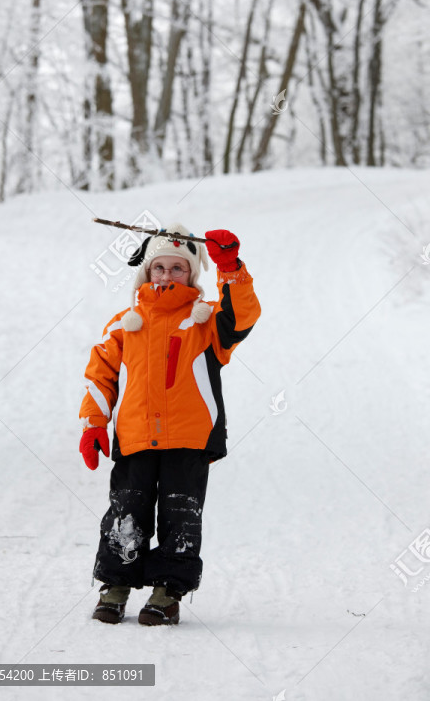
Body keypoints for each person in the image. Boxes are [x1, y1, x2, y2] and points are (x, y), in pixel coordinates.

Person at [79, 224, 261, 625]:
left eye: (177, 268)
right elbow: (101, 375)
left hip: (189, 437)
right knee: (127, 510)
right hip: (135, 435)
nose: (166, 276)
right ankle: (116, 586)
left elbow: (244, 315)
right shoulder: (125, 322)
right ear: (146, 272)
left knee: (181, 514)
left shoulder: (208, 321)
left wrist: (230, 268)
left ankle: (167, 592)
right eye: (158, 267)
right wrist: (94, 423)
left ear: (192, 274)